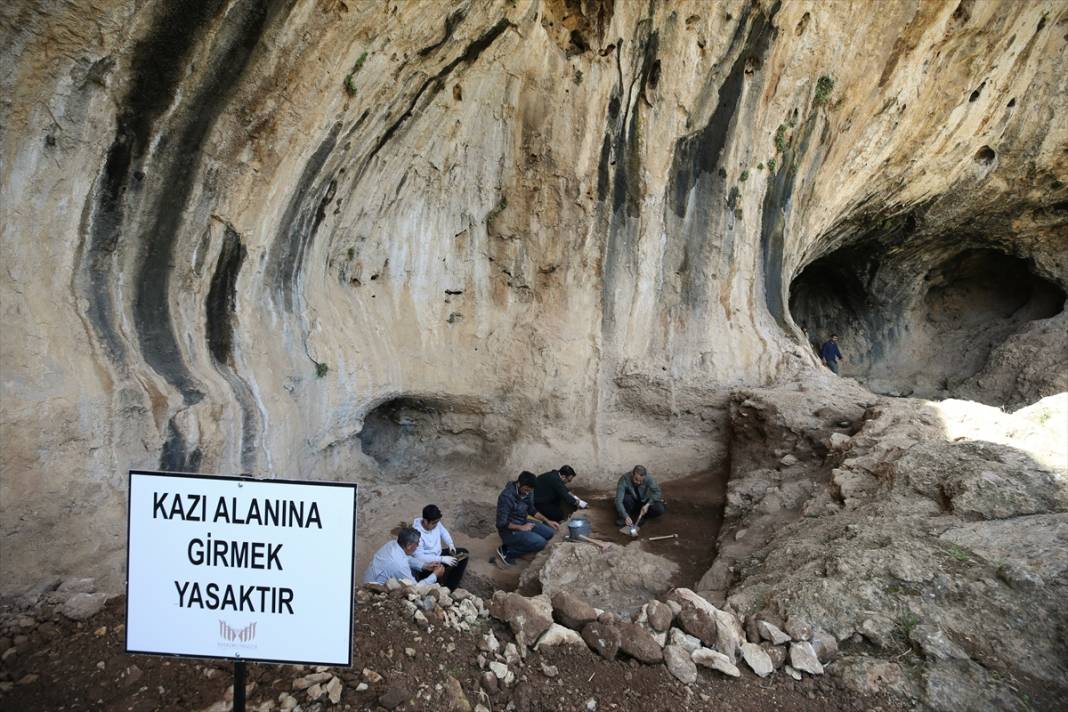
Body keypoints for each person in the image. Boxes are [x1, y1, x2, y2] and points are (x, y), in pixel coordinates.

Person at [495, 471, 559, 568]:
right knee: (541, 543)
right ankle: (507, 551)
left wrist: (548, 521)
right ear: (519, 483)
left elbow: (531, 510)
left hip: (524, 522)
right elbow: (501, 523)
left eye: (530, 490)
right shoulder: (506, 497)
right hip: (508, 530)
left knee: (550, 533)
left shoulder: (529, 491)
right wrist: (521, 527)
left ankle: (524, 547)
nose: (527, 492)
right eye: (526, 490)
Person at [410, 504, 468, 590]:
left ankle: (449, 588)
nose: (436, 525)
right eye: (434, 523)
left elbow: (443, 532)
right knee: (432, 585)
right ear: (425, 521)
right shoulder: (416, 534)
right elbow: (419, 557)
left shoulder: (436, 523)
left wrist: (450, 544)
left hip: (439, 555)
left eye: (437, 522)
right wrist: (442, 559)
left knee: (464, 554)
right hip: (427, 564)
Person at [361, 527, 444, 585]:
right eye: (417, 543)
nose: (418, 546)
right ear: (409, 546)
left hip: (368, 579)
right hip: (374, 592)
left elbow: (406, 558)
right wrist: (435, 575)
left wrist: (425, 565)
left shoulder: (392, 544)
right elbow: (415, 588)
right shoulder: (400, 565)